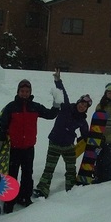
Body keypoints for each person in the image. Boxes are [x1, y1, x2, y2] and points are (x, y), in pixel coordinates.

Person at [0, 79, 59, 213]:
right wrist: (1, 137)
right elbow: (3, 123)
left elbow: (50, 115)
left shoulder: (35, 107)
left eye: (27, 91)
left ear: (30, 92)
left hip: (29, 148)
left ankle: (25, 197)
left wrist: (56, 104)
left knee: (27, 174)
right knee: (12, 175)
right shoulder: (11, 107)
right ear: (18, 92)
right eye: (22, 91)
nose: (24, 94)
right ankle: (9, 201)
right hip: (13, 148)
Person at [33, 69, 90, 198]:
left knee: (71, 169)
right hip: (54, 142)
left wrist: (88, 139)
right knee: (49, 168)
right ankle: (42, 189)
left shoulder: (82, 120)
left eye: (85, 106)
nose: (82, 106)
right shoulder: (66, 107)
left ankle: (71, 190)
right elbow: (63, 92)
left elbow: (85, 133)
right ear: (78, 102)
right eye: (81, 103)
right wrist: (58, 80)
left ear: (86, 109)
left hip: (69, 146)